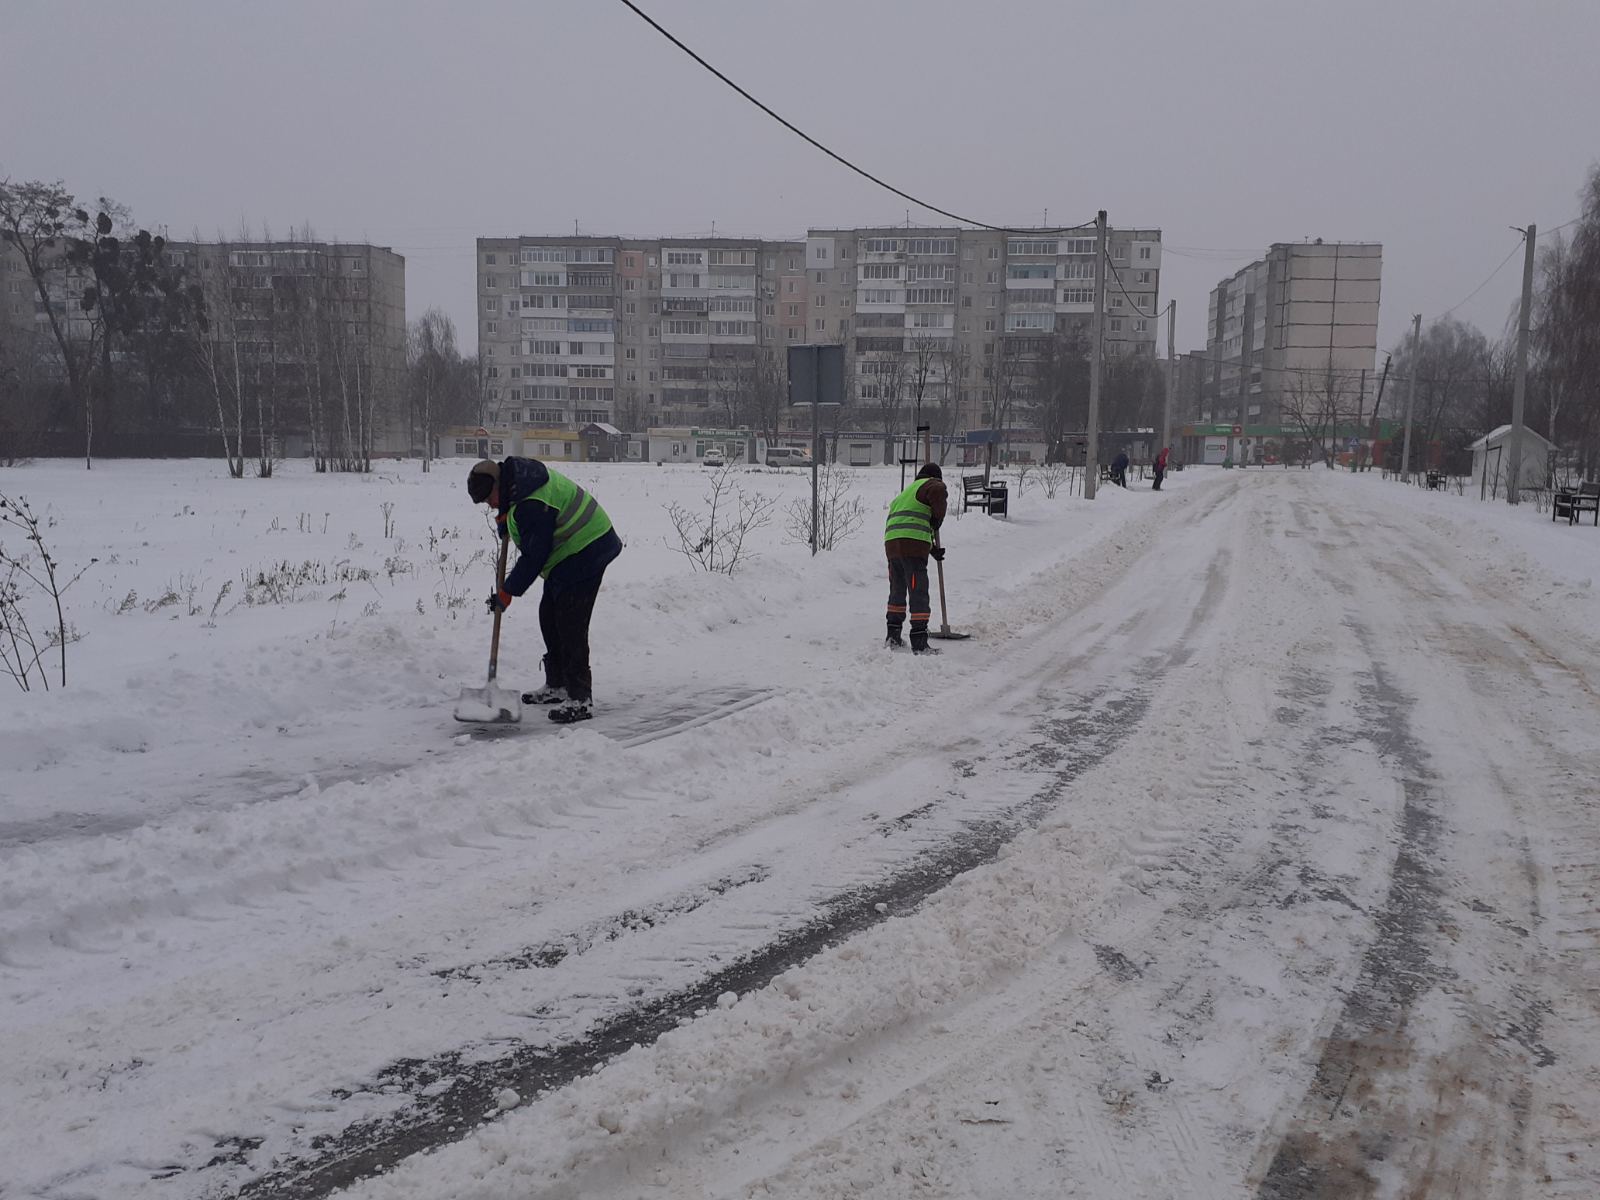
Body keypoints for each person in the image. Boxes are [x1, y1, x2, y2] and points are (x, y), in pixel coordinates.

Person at [466, 457, 622, 724]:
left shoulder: (530, 503)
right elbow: (527, 527)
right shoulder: (517, 486)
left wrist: (509, 590)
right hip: (569, 553)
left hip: (589, 545)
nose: (489, 505)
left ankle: (580, 697)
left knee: (570, 621)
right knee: (548, 616)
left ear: (498, 484)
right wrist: (507, 517)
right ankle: (558, 684)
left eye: (489, 498)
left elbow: (534, 555)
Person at [884, 463, 948, 656]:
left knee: (897, 589)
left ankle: (893, 635)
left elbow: (912, 523)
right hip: (910, 547)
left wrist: (932, 548)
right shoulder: (933, 484)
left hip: (893, 545)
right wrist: (938, 517)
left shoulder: (907, 493)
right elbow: (938, 491)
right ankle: (919, 642)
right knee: (918, 590)